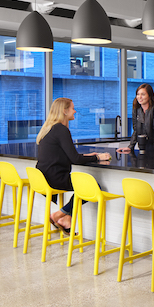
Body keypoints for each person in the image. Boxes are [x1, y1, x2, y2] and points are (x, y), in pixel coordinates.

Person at [35, 98, 111, 233]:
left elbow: (67, 155)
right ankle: (58, 215)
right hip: (55, 178)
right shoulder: (61, 130)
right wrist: (98, 157)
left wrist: (89, 156)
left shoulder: (49, 128)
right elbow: (75, 159)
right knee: (92, 186)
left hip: (43, 177)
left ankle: (67, 218)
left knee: (83, 186)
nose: (75, 111)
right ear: (65, 111)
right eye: (72, 108)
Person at [117, 83, 154, 154]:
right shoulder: (136, 107)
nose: (139, 97)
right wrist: (130, 146)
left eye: (143, 94)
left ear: (149, 96)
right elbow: (136, 130)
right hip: (144, 144)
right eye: (138, 94)